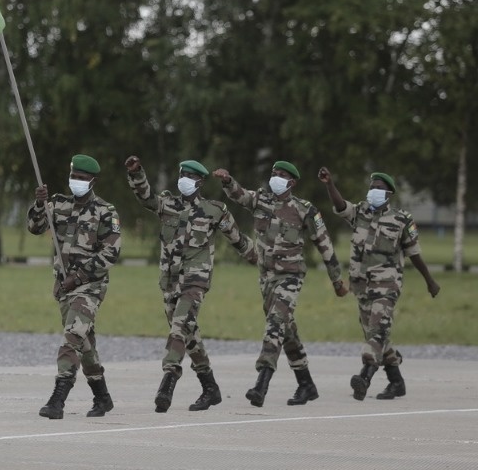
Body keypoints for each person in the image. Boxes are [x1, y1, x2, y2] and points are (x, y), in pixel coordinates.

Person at [213, 161, 348, 408]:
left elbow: (324, 244)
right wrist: (227, 180)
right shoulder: (261, 200)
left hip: (291, 277)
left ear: (292, 182)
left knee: (275, 324)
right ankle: (306, 384)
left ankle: (261, 384)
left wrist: (337, 280)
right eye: (273, 173)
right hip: (266, 278)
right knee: (286, 331)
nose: (275, 177)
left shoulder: (304, 209)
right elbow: (240, 195)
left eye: (281, 175)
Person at [126, 157, 256, 413]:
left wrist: (261, 260)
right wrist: (136, 173)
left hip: (195, 280)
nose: (183, 179)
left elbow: (238, 239)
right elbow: (146, 198)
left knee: (178, 328)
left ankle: (168, 381)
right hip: (170, 282)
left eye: (188, 176)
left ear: (199, 181)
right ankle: (210, 388)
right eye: (181, 174)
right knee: (189, 335)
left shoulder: (214, 210)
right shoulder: (167, 204)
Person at [318, 167, 440, 401]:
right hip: (362, 286)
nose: (373, 191)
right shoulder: (360, 212)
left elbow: (414, 254)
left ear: (389, 193)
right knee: (377, 335)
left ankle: (364, 377)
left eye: (379, 188)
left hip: (387, 285)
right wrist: (329, 184)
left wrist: (430, 281)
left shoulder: (401, 219)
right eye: (371, 187)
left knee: (377, 333)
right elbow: (341, 206)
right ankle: (397, 382)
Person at [27, 154, 122, 420]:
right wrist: (38, 203)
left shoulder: (105, 211)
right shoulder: (57, 203)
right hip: (64, 287)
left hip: (89, 287)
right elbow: (35, 227)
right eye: (73, 177)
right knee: (84, 341)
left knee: (72, 337)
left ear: (93, 181)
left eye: (81, 179)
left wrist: (78, 278)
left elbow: (110, 254)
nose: (76, 182)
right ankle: (102, 397)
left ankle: (58, 399)